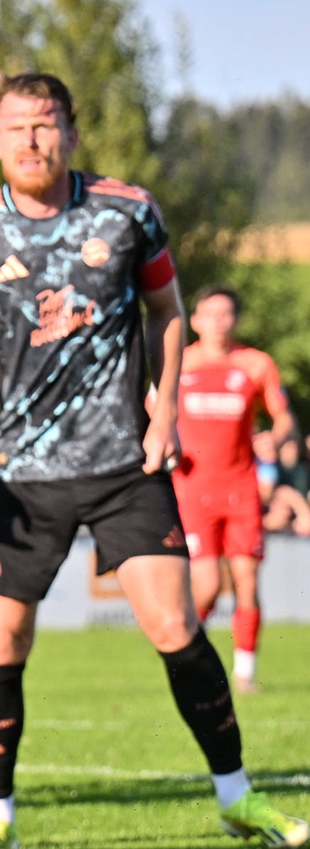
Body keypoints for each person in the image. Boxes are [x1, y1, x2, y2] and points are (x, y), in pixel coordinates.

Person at [0, 66, 306, 849]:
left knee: (173, 624)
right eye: (17, 125)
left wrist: (163, 408)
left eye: (46, 122)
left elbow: (168, 313)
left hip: (127, 465)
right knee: (0, 644)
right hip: (18, 475)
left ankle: (237, 797)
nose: (31, 138)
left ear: (72, 131)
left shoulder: (128, 213)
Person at [172, 285, 297, 693]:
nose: (218, 322)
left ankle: (244, 673)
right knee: (205, 585)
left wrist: (275, 441)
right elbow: (152, 412)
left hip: (241, 488)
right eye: (209, 314)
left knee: (247, 581)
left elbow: (284, 419)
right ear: (195, 321)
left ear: (235, 320)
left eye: (225, 314)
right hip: (192, 488)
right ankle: (190, 661)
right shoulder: (179, 362)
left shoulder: (255, 365)